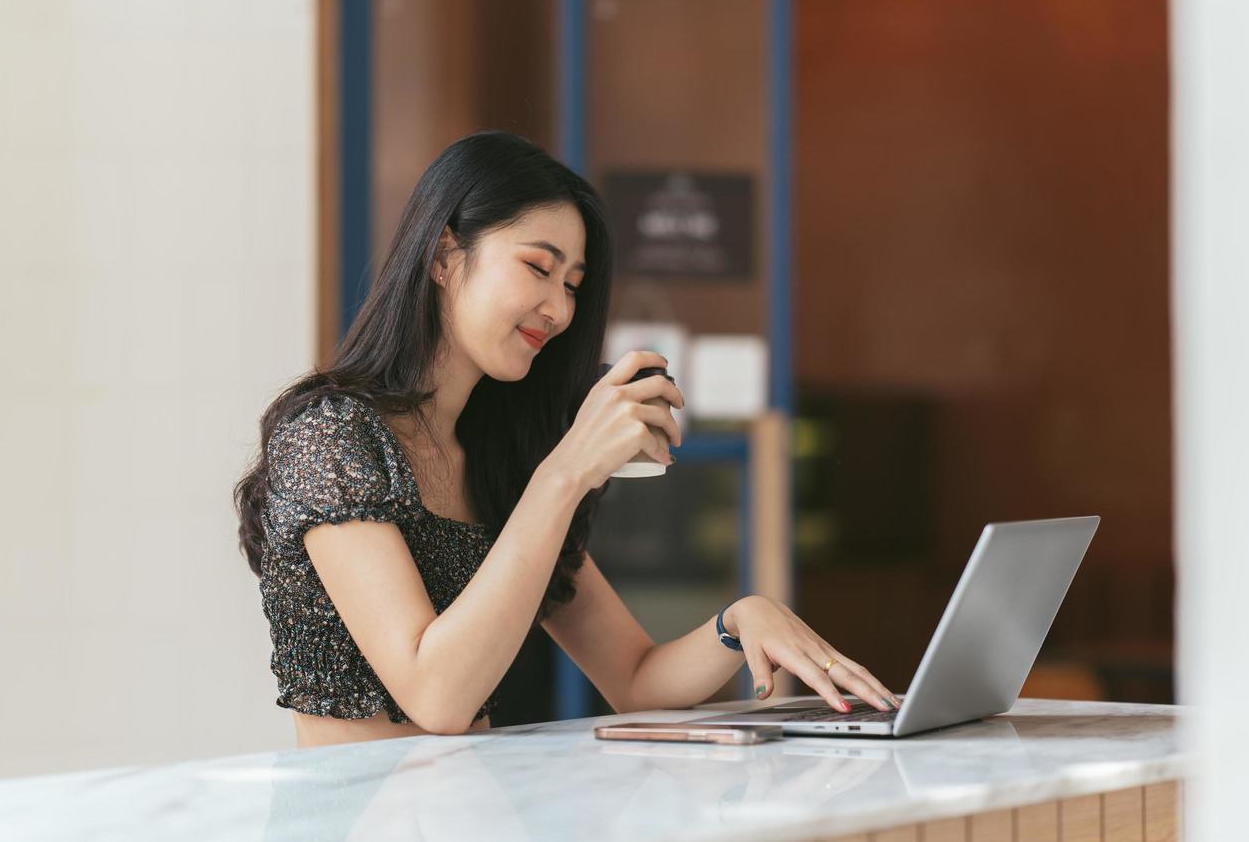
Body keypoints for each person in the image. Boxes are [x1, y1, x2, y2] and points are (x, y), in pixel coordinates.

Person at [233, 130, 901, 747]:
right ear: (443, 255)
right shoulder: (329, 437)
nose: (558, 308)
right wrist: (566, 471)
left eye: (573, 284)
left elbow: (636, 679)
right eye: (537, 266)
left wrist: (740, 621)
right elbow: (436, 697)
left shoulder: (499, 461)